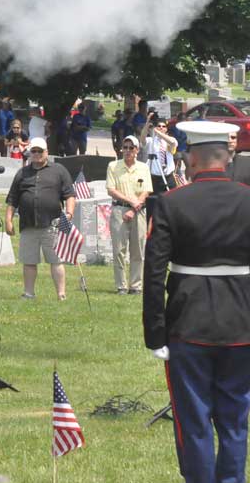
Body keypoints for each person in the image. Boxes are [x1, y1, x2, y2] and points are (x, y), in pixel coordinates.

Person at [143, 121, 250, 483]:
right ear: (226, 157)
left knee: (194, 423)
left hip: (188, 326)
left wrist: (155, 334)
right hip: (242, 326)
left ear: (193, 158)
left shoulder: (172, 202)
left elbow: (154, 273)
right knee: (235, 421)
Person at [5, 137, 74, 300]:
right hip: (28, 224)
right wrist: (8, 220)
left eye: (39, 151)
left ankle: (61, 294)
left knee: (56, 260)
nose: (36, 154)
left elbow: (70, 195)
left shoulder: (59, 170)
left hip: (53, 224)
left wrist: (69, 214)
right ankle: (29, 293)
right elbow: (12, 199)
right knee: (29, 261)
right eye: (33, 151)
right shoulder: (22, 173)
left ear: (46, 152)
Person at [106, 134, 151, 295]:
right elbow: (111, 190)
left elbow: (146, 191)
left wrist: (133, 208)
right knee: (119, 250)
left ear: (137, 150)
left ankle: (136, 286)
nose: (127, 150)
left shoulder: (144, 167)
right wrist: (130, 203)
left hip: (138, 212)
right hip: (119, 210)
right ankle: (121, 286)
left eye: (131, 148)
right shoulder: (113, 166)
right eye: (125, 147)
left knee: (138, 250)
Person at [140, 116, 178, 193]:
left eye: (163, 126)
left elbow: (172, 143)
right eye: (159, 126)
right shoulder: (151, 140)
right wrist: (147, 124)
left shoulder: (170, 139)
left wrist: (159, 133)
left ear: (166, 129)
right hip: (154, 178)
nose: (161, 128)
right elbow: (142, 139)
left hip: (168, 177)